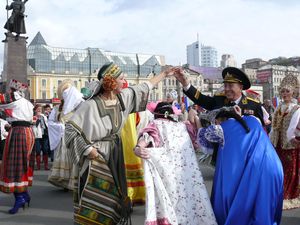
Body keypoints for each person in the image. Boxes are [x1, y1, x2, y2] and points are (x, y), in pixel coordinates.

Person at [65, 62, 171, 225]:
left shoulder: (122, 99)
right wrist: (87, 149)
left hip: (115, 153)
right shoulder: (90, 105)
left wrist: (164, 74)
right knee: (97, 197)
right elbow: (71, 130)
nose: (125, 80)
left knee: (116, 196)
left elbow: (145, 86)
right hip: (96, 157)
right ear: (111, 82)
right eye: (121, 78)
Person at [196, 106, 284, 225]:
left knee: (242, 205)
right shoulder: (253, 120)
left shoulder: (220, 129)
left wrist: (197, 122)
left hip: (253, 170)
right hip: (273, 166)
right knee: (264, 206)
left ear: (219, 120)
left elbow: (204, 143)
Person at [134, 102, 217, 225]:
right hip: (187, 175)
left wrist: (138, 148)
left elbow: (145, 139)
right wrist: (195, 118)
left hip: (166, 175)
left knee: (169, 202)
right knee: (190, 202)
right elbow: (198, 140)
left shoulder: (155, 125)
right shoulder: (183, 127)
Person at [0, 79, 34, 214]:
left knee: (14, 164)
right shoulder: (27, 102)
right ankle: (24, 195)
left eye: (10, 89)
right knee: (22, 164)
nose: (8, 92)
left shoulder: (14, 97)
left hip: (18, 132)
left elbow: (2, 100)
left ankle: (20, 197)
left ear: (14, 91)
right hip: (27, 132)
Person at [269, 74, 300, 210]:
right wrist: (270, 141)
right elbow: (273, 127)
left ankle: (289, 195)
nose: (285, 93)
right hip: (278, 144)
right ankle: (279, 192)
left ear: (293, 92)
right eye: (283, 91)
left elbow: (294, 127)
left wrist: (293, 139)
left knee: (290, 170)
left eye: (287, 91)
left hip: (290, 145)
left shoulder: (296, 108)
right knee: (279, 169)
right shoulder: (278, 108)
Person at [48, 79, 84, 190]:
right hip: (62, 137)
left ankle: (72, 181)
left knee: (73, 158)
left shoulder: (78, 106)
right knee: (64, 157)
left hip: (74, 136)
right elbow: (50, 122)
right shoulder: (57, 108)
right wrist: (60, 126)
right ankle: (63, 181)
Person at [32, 104, 49, 170]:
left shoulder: (44, 116)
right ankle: (38, 166)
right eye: (38, 109)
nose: (39, 110)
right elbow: (34, 125)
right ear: (35, 110)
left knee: (45, 150)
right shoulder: (33, 116)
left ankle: (46, 166)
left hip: (44, 135)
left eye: (40, 109)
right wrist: (37, 118)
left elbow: (46, 124)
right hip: (37, 135)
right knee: (38, 150)